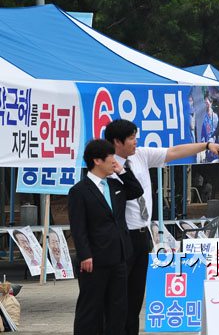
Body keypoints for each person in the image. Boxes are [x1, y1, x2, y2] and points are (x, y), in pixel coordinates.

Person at [104, 119, 219, 335]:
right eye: (131, 138)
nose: (135, 142)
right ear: (117, 141)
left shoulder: (140, 155)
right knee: (116, 300)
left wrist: (206, 146)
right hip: (120, 237)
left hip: (142, 236)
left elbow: (174, 152)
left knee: (134, 299)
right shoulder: (104, 165)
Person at [68, 139, 143, 335]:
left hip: (119, 256)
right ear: (97, 160)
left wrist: (122, 172)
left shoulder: (115, 185)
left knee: (118, 307)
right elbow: (78, 227)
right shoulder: (79, 191)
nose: (114, 161)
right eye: (110, 157)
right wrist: (84, 254)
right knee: (90, 307)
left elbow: (137, 190)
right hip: (94, 259)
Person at [200, 90, 219, 162]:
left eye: (207, 103)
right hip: (204, 143)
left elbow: (216, 131)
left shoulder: (215, 116)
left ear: (211, 103)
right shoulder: (202, 116)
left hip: (213, 143)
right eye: (205, 103)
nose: (206, 105)